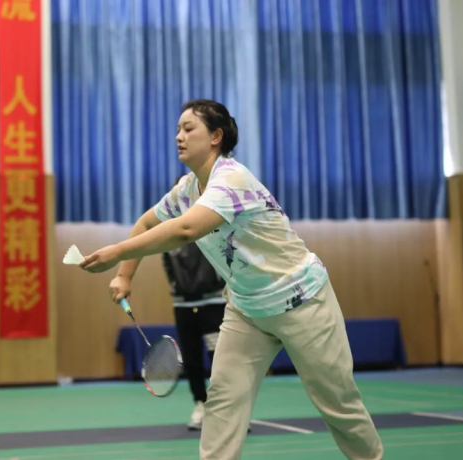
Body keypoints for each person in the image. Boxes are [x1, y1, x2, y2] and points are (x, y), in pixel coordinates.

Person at [79, 99, 383, 460]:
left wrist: (117, 252)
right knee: (223, 399)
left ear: (216, 136)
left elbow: (186, 229)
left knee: (337, 401)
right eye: (177, 130)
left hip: (301, 300)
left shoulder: (231, 179)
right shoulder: (187, 190)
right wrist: (124, 274)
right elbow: (148, 222)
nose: (178, 136)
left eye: (188, 129)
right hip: (247, 309)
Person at [162, 238, 226, 430]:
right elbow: (167, 264)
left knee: (220, 359)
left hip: (214, 303)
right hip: (183, 305)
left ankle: (227, 409)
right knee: (192, 360)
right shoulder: (169, 232)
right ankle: (200, 404)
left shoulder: (208, 226)